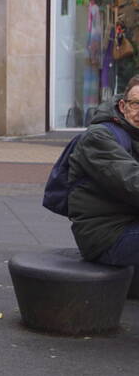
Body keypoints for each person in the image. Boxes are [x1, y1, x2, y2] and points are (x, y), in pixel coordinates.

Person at [67, 75, 139, 268]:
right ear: (123, 106)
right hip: (107, 235)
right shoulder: (99, 137)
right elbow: (133, 182)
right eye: (136, 104)